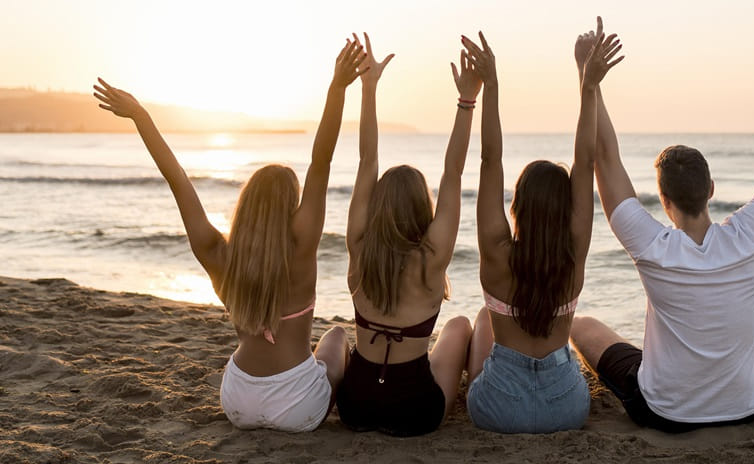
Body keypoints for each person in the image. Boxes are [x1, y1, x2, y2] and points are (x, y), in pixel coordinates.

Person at [92, 38, 368, 432]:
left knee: (320, 351)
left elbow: (177, 178)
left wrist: (141, 117)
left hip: (236, 401)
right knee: (337, 338)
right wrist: (337, 88)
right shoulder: (301, 246)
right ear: (289, 207)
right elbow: (320, 160)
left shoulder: (218, 255)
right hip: (297, 409)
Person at [571, 17, 754, 433]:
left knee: (582, 327)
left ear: (663, 201)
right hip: (744, 408)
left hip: (665, 413)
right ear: (711, 189)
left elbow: (605, 158)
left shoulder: (651, 244)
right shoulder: (752, 235)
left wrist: (587, 77)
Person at [464, 29, 624, 433]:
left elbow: (489, 160)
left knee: (486, 318)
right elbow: (584, 162)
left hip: (498, 407)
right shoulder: (574, 250)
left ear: (517, 206)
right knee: (490, 319)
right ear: (567, 209)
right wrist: (588, 87)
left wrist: (492, 85)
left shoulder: (497, 254)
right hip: (566, 407)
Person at [332, 33, 480, 436]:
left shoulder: (358, 250)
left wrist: (368, 87)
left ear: (378, 205)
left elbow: (367, 161)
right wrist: (467, 101)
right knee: (460, 327)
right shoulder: (431, 262)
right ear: (422, 209)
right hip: (416, 412)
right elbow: (453, 173)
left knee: (339, 341)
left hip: (355, 406)